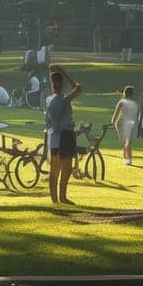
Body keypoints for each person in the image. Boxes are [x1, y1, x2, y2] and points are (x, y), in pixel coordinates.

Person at [44, 66, 83, 205]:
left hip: (61, 135)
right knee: (56, 170)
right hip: (60, 136)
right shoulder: (60, 100)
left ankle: (62, 197)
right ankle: (56, 199)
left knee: (66, 169)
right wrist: (64, 72)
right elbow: (78, 88)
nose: (57, 85)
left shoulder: (51, 99)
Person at [113, 86, 141, 166]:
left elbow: (116, 113)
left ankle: (127, 158)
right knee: (127, 141)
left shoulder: (122, 102)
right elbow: (138, 114)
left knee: (125, 141)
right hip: (129, 123)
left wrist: (113, 122)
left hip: (123, 122)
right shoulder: (136, 103)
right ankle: (127, 158)